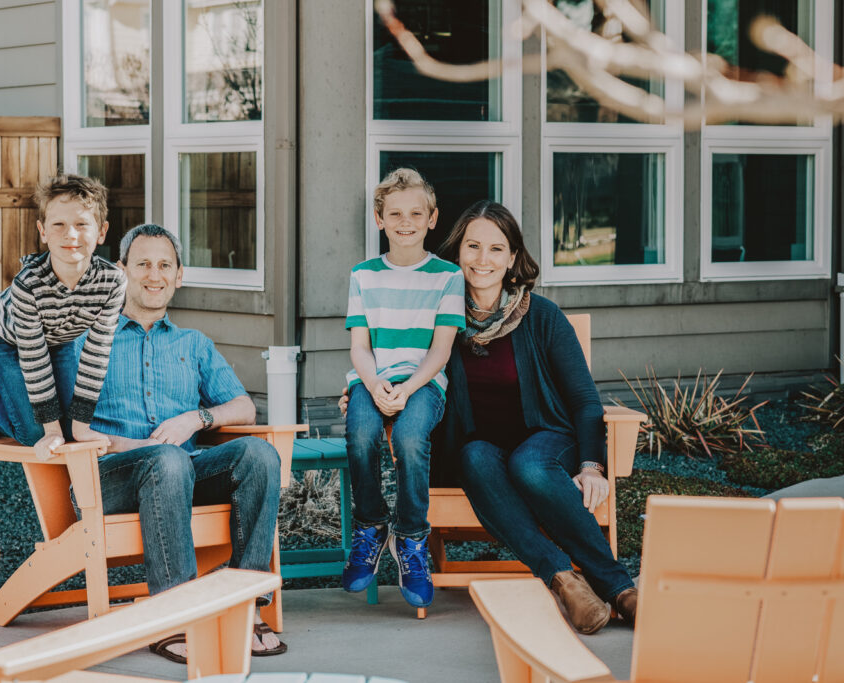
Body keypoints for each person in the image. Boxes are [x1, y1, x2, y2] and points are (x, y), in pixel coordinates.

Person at [340, 200, 637, 634]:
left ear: (513, 257)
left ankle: (618, 589)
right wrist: (363, 397)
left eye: (496, 249)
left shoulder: (543, 317)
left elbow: (585, 401)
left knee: (529, 464)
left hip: (548, 439)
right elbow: (395, 360)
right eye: (473, 247)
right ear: (457, 253)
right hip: (481, 449)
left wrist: (592, 465)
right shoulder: (439, 316)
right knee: (475, 458)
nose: (483, 260)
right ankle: (565, 580)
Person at [78, 222, 286, 662]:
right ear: (122, 271)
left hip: (182, 473)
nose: (154, 275)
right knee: (168, 461)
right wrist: (135, 448)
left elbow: (243, 407)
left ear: (179, 274)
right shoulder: (89, 343)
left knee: (260, 453)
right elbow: (65, 425)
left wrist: (197, 418)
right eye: (143, 264)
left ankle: (243, 602)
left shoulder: (194, 345)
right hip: (109, 479)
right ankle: (174, 615)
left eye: (164, 265)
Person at [341, 168, 465, 608]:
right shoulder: (363, 275)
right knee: (360, 434)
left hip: (424, 382)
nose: (405, 221)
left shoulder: (448, 277)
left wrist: (408, 388)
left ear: (433, 218)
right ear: (379, 219)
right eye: (395, 213)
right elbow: (359, 347)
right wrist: (374, 385)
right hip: (371, 378)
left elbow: (441, 351)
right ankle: (371, 527)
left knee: (411, 440)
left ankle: (410, 538)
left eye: (416, 213)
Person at [0, 174, 125, 460]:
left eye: (82, 224)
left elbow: (96, 355)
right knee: (36, 433)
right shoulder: (28, 284)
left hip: (60, 339)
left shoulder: (113, 282)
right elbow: (34, 358)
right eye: (59, 225)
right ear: (43, 231)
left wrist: (80, 428)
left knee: (68, 430)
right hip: (6, 340)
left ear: (101, 231)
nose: (71, 234)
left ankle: (12, 401)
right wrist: (50, 431)